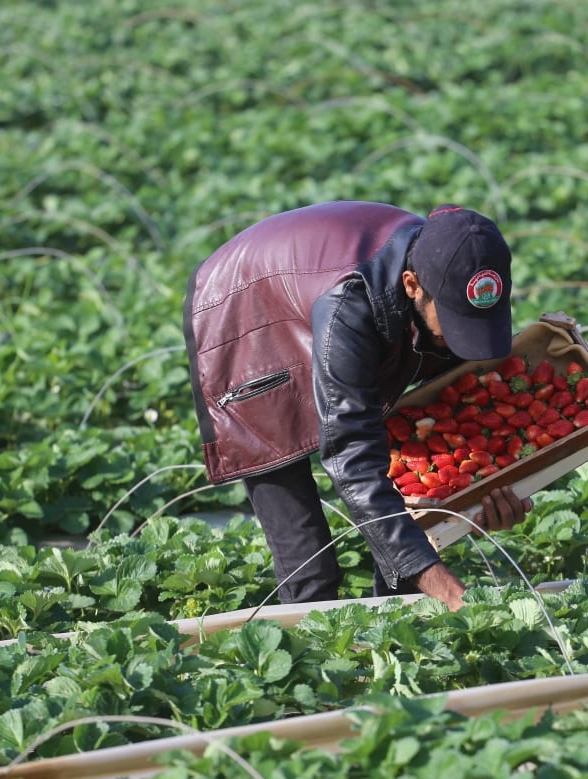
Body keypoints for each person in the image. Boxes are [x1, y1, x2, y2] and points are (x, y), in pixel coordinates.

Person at [182, 200, 533, 610]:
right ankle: (308, 645)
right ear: (412, 285)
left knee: (406, 519)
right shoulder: (350, 306)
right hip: (243, 316)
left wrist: (482, 494)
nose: (462, 341)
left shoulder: (450, 263)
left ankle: (394, 632)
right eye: (454, 324)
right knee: (309, 566)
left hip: (315, 296)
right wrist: (448, 591)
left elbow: (453, 424)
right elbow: (353, 458)